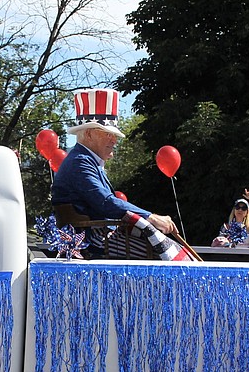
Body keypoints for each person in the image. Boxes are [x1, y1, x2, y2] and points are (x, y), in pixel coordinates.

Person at [50, 88, 178, 256]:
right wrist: (150, 217)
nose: (115, 140)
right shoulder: (80, 161)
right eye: (108, 134)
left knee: (166, 249)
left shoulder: (84, 160)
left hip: (99, 235)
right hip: (92, 239)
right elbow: (105, 202)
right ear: (88, 134)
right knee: (161, 255)